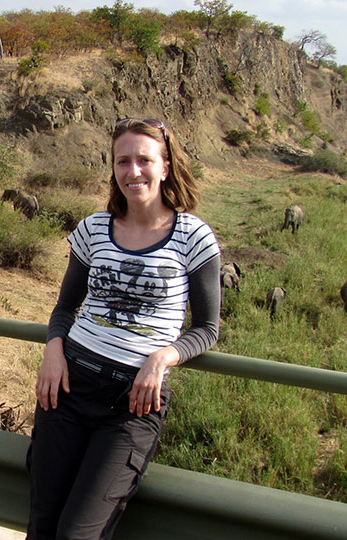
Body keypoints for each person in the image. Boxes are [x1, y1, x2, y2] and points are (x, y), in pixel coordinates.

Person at [26, 118, 221, 540]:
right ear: (113, 169)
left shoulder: (194, 236)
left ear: (165, 167)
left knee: (78, 534)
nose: (134, 171)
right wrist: (53, 351)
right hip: (66, 388)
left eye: (144, 160)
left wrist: (162, 357)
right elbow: (64, 308)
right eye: (123, 161)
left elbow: (207, 328)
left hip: (131, 405)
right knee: (42, 525)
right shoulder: (94, 228)